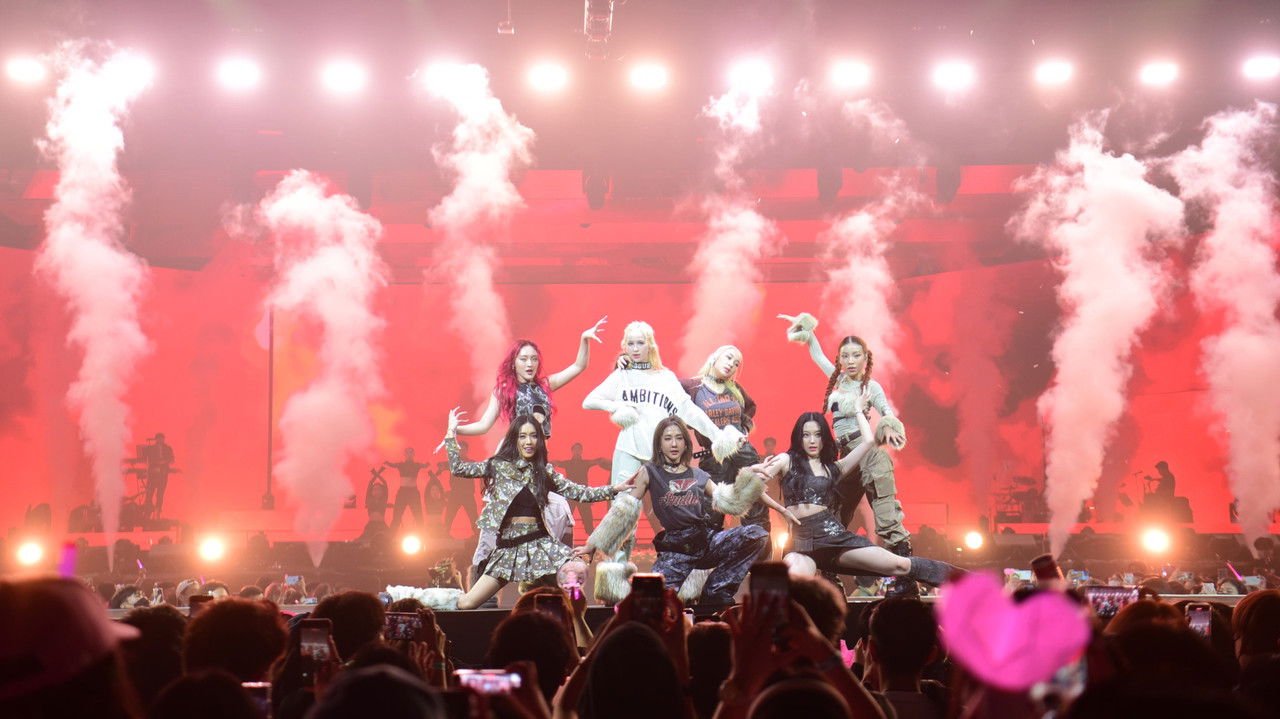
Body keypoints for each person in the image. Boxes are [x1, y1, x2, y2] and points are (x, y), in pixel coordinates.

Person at [582, 321, 745, 571]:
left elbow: (690, 411)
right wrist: (617, 407)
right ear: (625, 346)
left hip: (660, 457)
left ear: (650, 345)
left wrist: (718, 435)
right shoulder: (622, 375)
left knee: (679, 513)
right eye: (630, 343)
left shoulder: (665, 377)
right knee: (623, 514)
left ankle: (685, 570)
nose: (635, 348)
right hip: (628, 450)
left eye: (640, 343)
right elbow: (589, 400)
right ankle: (616, 578)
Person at [586, 417, 791, 604]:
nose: (674, 444)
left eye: (678, 438)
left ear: (686, 443)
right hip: (676, 550)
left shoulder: (699, 474)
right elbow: (625, 509)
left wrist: (750, 476)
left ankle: (716, 590)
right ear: (659, 444)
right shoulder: (650, 472)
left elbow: (730, 502)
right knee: (652, 601)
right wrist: (593, 544)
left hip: (705, 542)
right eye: (668, 439)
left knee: (756, 534)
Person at [442, 411, 633, 609]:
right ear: (514, 439)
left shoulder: (543, 471)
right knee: (467, 603)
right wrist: (450, 433)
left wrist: (614, 489)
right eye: (523, 436)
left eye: (533, 436)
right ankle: (434, 599)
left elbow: (580, 492)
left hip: (541, 549)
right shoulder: (498, 466)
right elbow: (458, 468)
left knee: (574, 596)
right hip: (508, 551)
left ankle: (578, 627)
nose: (529, 441)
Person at [758, 407, 957, 589]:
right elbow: (753, 486)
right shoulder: (786, 460)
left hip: (832, 537)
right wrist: (781, 510)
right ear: (798, 438)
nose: (812, 440)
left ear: (824, 438)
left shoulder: (834, 469)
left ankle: (966, 582)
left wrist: (858, 411)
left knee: (900, 565)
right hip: (800, 542)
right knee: (793, 587)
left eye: (817, 435)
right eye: (806, 435)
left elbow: (869, 442)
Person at [778, 316, 910, 561]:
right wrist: (808, 332)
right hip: (845, 456)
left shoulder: (872, 387)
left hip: (867, 452)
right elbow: (818, 356)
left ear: (865, 358)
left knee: (884, 505)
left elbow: (887, 412)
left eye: (856, 355)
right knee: (835, 508)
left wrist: (890, 427)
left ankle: (904, 565)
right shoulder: (838, 380)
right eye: (845, 356)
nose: (850, 361)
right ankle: (830, 569)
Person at [679, 345, 778, 558]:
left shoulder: (734, 388)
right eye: (729, 358)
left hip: (744, 454)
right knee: (711, 514)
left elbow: (750, 408)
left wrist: (744, 428)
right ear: (715, 357)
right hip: (713, 457)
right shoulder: (693, 386)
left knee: (756, 511)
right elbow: (662, 387)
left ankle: (762, 566)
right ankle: (709, 567)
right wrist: (626, 364)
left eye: (736, 363)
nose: (731, 364)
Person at [454, 317, 609, 440]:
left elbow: (578, 366)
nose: (530, 364)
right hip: (514, 455)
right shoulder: (504, 391)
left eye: (534, 359)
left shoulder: (544, 385)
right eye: (524, 359)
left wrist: (584, 339)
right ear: (513, 363)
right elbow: (483, 425)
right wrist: (455, 429)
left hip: (538, 455)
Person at [555, 442, 612, 534]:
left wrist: (604, 461)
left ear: (581, 451)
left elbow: (597, 461)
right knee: (565, 522)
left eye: (579, 449)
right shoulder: (568, 463)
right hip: (571, 496)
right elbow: (557, 463)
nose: (577, 451)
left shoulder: (585, 463)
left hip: (583, 496)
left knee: (588, 524)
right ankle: (561, 540)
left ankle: (594, 541)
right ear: (572, 451)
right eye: (575, 449)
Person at [383, 448, 429, 533]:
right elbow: (393, 465)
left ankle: (423, 535)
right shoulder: (401, 465)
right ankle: (391, 536)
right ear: (405, 455)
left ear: (413, 454)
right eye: (407, 453)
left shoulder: (416, 465)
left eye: (411, 453)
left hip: (413, 493)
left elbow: (425, 466)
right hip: (402, 493)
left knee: (418, 516)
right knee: (396, 516)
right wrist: (387, 463)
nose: (409, 455)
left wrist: (427, 465)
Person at [146, 432, 177, 517]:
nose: (160, 440)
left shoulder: (168, 448)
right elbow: (149, 459)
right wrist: (156, 462)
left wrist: (165, 462)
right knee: (150, 493)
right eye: (159, 438)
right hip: (153, 474)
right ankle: (148, 510)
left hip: (163, 474)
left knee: (160, 494)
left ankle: (158, 511)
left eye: (162, 438)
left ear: (163, 439)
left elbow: (172, 459)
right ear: (156, 439)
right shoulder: (151, 448)